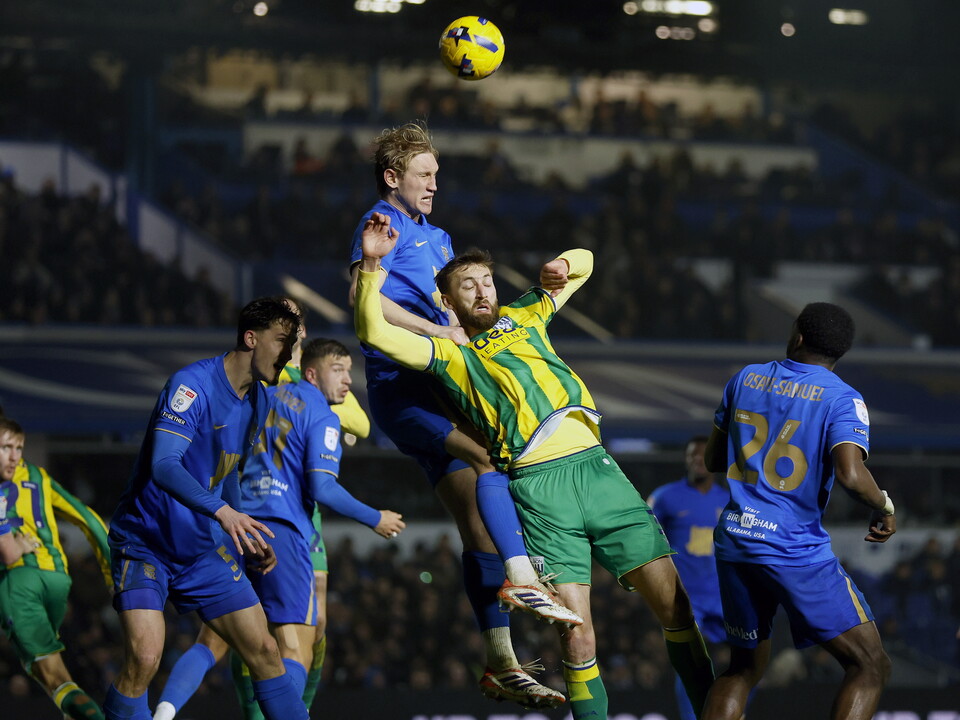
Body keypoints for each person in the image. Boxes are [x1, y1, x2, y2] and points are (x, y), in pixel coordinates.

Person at [354, 215, 716, 720]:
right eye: (467, 285)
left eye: (486, 280)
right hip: (541, 491)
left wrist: (562, 264)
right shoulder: (444, 353)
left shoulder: (526, 313)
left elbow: (587, 266)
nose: (482, 291)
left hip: (599, 472)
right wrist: (372, 263)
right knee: (576, 633)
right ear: (447, 301)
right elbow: (371, 327)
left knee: (678, 611)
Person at [347, 122, 580, 708]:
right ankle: (524, 579)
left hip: (442, 387)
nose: (433, 184)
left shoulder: (441, 235)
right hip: (403, 390)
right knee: (486, 457)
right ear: (392, 177)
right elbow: (363, 303)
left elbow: (453, 304)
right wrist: (437, 331)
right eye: (424, 175)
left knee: (478, 513)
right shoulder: (382, 224)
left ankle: (500, 661)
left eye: (436, 174)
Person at [153, 338, 405, 720]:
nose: (347, 380)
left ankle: (164, 712)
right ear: (311, 371)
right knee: (295, 646)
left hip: (234, 524)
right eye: (338, 370)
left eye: (348, 371)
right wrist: (376, 518)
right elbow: (323, 487)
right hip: (282, 533)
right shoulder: (322, 416)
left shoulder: (264, 396)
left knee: (216, 639)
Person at [104, 296, 310, 720]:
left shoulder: (260, 401)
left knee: (266, 651)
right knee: (144, 659)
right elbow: (163, 465)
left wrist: (245, 532)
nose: (288, 354)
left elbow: (227, 470)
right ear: (251, 339)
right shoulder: (191, 386)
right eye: (282, 341)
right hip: (146, 544)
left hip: (200, 550)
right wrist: (223, 513)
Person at [701, 302, 896, 720]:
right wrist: (884, 504)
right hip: (792, 548)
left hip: (736, 539)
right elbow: (850, 473)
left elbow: (714, 460)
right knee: (870, 664)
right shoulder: (842, 399)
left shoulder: (745, 378)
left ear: (799, 335)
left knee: (742, 668)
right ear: (839, 352)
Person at [0, 416, 112, 720]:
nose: (13, 455)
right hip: (58, 581)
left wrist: (17, 547)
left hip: (20, 582)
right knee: (51, 676)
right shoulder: (38, 475)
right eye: (8, 447)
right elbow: (89, 519)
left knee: (54, 678)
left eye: (16, 448)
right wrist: (112, 575)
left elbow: (8, 553)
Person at [649, 436, 743, 720]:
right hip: (687, 599)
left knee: (749, 662)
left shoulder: (730, 499)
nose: (696, 461)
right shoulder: (665, 497)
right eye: (691, 456)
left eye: (702, 456)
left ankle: (733, 713)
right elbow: (644, 538)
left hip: (724, 597)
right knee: (692, 664)